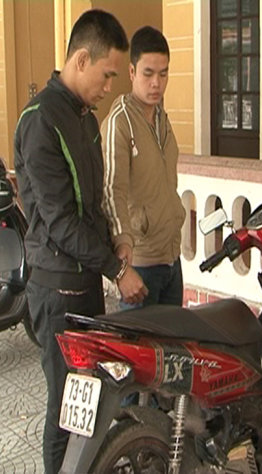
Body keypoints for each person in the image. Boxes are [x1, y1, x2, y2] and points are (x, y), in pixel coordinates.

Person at [13, 10, 147, 473]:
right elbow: (60, 223)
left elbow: (92, 205)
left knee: (89, 399)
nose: (110, 86)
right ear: (82, 59)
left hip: (85, 283)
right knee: (65, 404)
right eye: (107, 74)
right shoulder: (40, 122)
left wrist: (116, 241)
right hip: (56, 290)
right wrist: (118, 270)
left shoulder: (86, 120)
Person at [101, 26, 186, 309]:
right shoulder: (120, 123)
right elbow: (111, 192)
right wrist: (122, 266)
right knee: (139, 339)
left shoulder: (162, 118)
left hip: (172, 258)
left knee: (174, 338)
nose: (156, 84)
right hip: (141, 264)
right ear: (131, 72)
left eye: (163, 74)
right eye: (148, 74)